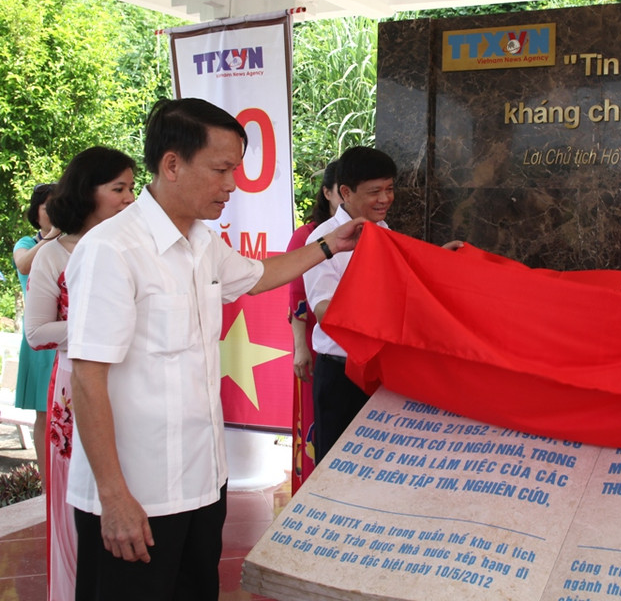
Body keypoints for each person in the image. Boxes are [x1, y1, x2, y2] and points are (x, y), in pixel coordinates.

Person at [64, 98, 364, 601]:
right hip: (135, 496)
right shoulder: (112, 251)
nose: (232, 184)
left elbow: (260, 276)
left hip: (201, 485)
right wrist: (114, 497)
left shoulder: (204, 242)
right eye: (221, 169)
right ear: (172, 164)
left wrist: (332, 245)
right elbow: (88, 378)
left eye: (236, 170)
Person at [24, 147, 136, 601]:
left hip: (127, 383)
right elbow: (35, 333)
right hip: (75, 389)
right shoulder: (54, 254)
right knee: (79, 495)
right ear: (88, 193)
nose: (130, 198)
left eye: (131, 187)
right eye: (118, 189)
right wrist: (99, 322)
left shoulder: (129, 246)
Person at [303, 147, 397, 463]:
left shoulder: (383, 231)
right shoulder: (321, 240)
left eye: (390, 189)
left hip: (380, 369)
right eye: (375, 191)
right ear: (345, 192)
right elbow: (325, 311)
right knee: (336, 469)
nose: (385, 198)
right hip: (341, 374)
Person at [287, 159, 341, 491]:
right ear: (330, 192)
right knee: (315, 420)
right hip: (313, 338)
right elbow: (296, 296)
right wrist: (300, 347)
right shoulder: (309, 235)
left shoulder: (379, 232)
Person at [12, 183, 58, 490]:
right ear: (36, 212)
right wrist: (53, 238)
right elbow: (24, 263)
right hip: (41, 339)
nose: (54, 213)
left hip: (65, 334)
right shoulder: (27, 242)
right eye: (47, 207)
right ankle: (47, 483)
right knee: (44, 411)